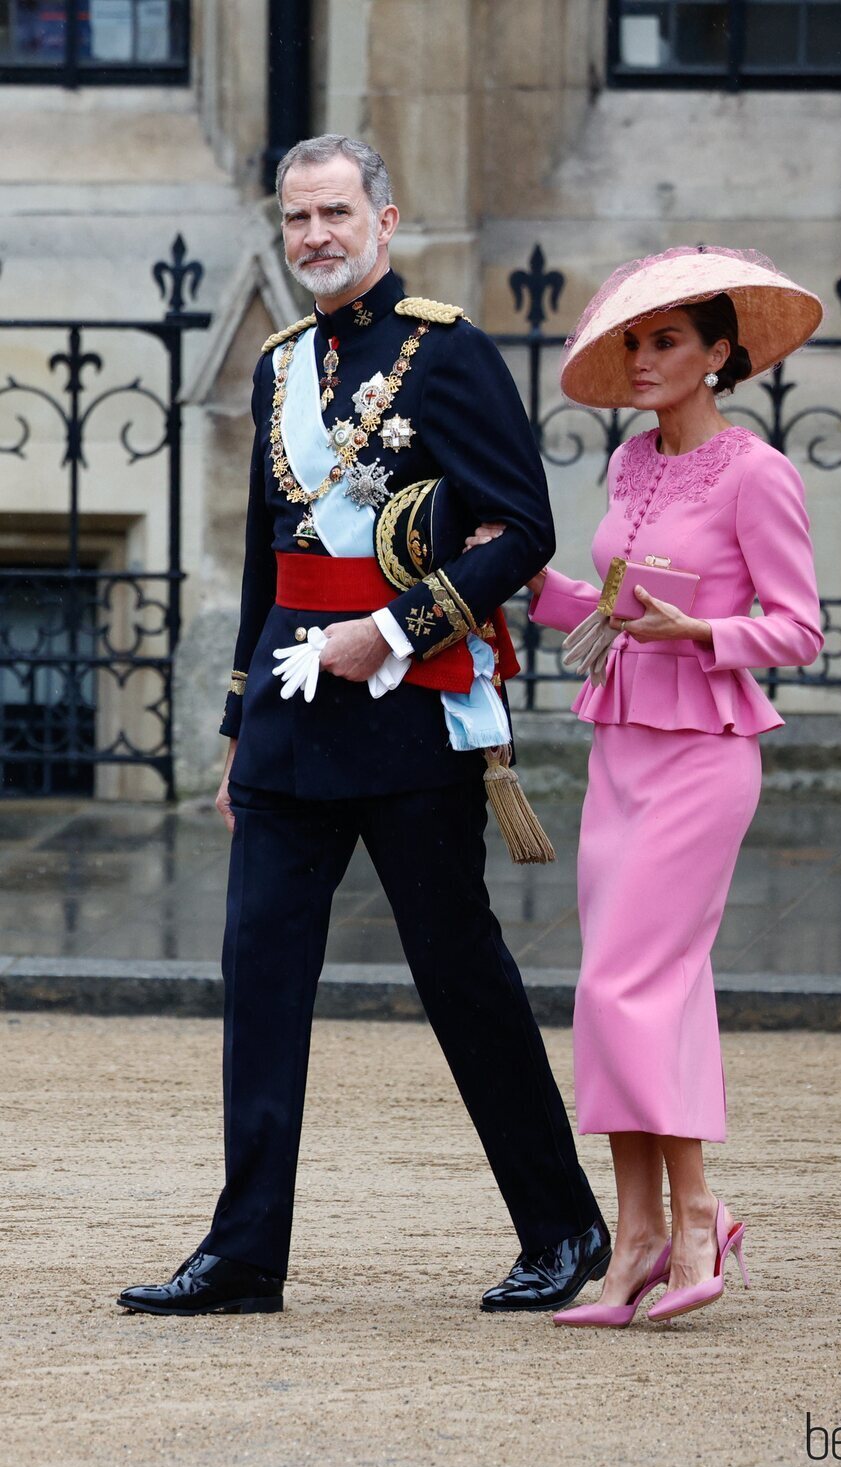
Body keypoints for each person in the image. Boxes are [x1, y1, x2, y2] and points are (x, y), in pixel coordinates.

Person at [117, 133, 608, 1317]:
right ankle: (244, 1255)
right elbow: (265, 564)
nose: (315, 238)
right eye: (296, 220)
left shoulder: (450, 355)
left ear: (385, 221)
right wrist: (239, 731)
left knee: (459, 978)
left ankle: (564, 1229)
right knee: (261, 983)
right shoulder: (281, 365)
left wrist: (391, 631)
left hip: (406, 718)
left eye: (335, 213)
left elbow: (522, 530)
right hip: (291, 725)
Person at [523, 246, 824, 1327]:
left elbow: (796, 628)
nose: (642, 358)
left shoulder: (755, 472)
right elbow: (605, 614)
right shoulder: (630, 467)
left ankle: (689, 1217)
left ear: (716, 355)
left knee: (622, 987)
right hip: (620, 752)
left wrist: (698, 628)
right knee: (635, 988)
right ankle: (641, 1231)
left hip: (703, 755)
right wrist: (523, 578)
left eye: (664, 342)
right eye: (632, 342)